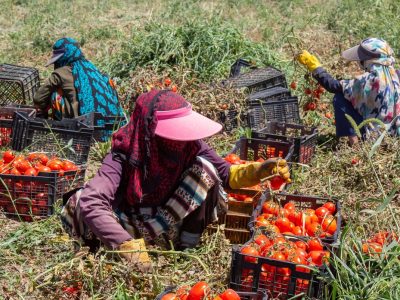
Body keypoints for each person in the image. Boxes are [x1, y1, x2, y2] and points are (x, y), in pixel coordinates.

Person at [60, 89, 290, 270]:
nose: (180, 143)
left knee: (205, 169)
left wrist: (260, 171)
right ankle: (101, 248)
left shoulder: (190, 145)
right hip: (128, 224)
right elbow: (92, 201)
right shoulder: (124, 155)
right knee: (79, 200)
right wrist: (127, 247)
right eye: (172, 136)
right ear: (150, 133)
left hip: (166, 221)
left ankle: (188, 244)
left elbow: (226, 174)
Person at [297, 37, 400, 144]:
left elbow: (333, 86)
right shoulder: (397, 76)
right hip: (394, 136)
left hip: (374, 137)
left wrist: (315, 67)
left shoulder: (369, 80)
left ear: (369, 61)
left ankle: (355, 144)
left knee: (340, 97)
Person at [33, 37, 125, 123]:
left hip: (82, 122)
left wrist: (43, 110)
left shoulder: (60, 73)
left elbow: (38, 98)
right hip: (110, 121)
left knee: (55, 94)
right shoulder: (91, 68)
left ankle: (60, 124)